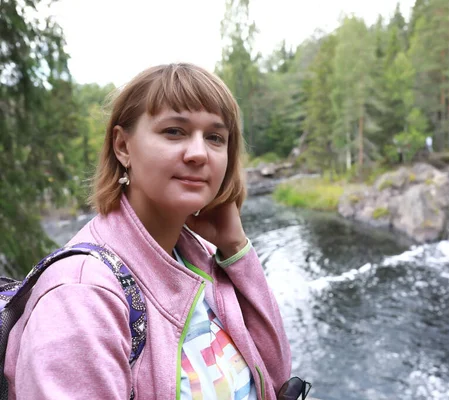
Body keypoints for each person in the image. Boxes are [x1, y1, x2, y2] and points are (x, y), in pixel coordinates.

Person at [4, 64, 292, 399]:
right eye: (174, 131)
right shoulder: (82, 295)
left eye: (215, 137)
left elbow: (276, 378)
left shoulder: (194, 255)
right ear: (123, 146)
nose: (199, 153)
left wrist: (236, 249)